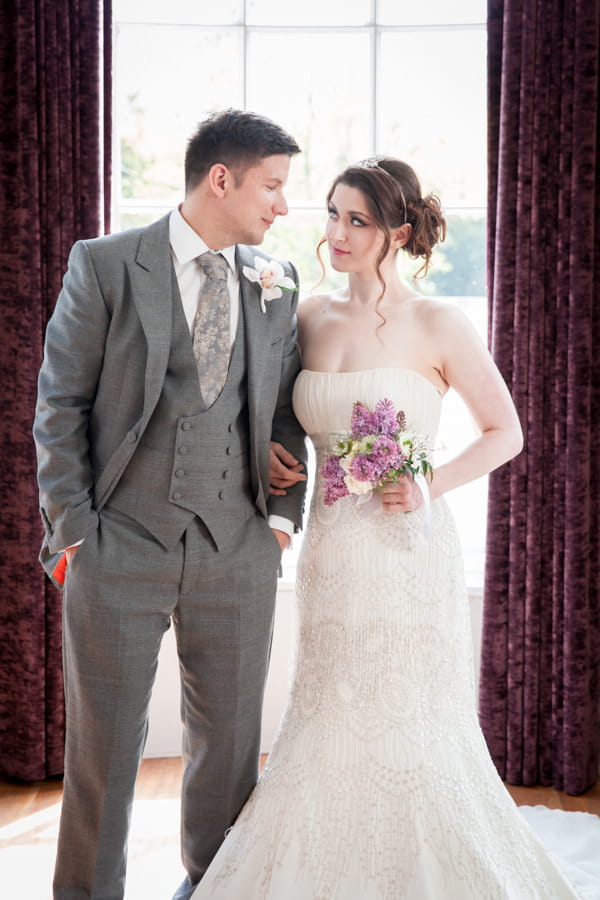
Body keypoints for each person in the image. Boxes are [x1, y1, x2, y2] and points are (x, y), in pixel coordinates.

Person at [188, 158, 592, 898]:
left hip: (409, 553)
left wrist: (428, 483)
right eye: (333, 214)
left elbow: (506, 431)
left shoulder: (440, 322)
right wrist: (283, 465)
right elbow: (285, 423)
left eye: (358, 221)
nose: (336, 234)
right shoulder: (306, 314)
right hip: (333, 550)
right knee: (330, 708)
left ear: (398, 233)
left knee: (411, 715)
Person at [33, 108, 308, 900]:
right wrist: (75, 533)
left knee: (228, 748)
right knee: (106, 749)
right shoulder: (108, 264)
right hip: (118, 543)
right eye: (273, 186)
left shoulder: (276, 279)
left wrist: (282, 521)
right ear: (221, 179)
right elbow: (59, 409)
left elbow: (287, 408)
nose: (283, 206)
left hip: (239, 547)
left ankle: (212, 888)